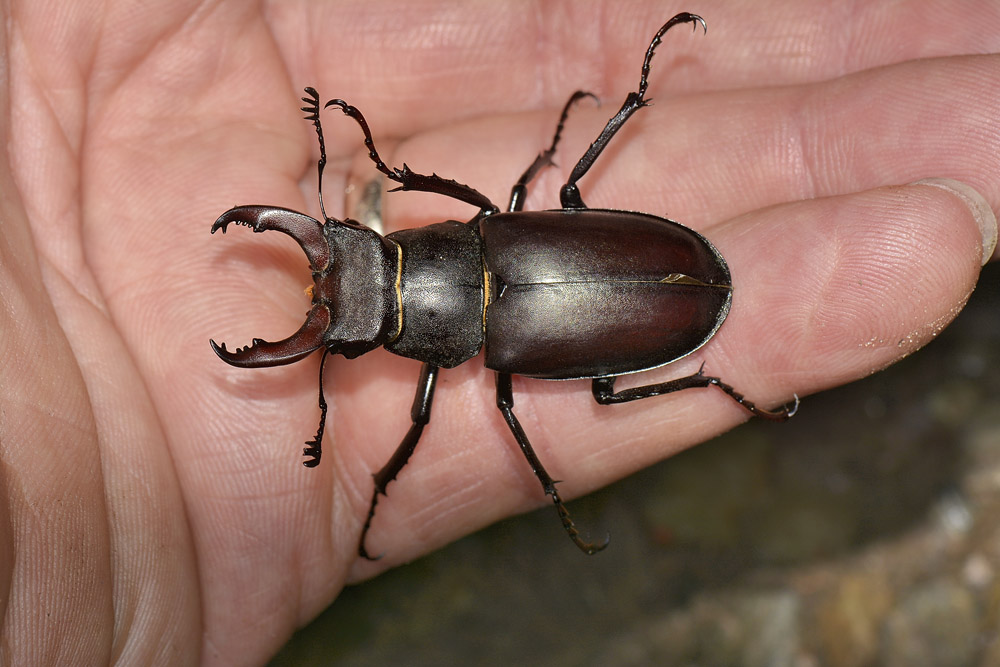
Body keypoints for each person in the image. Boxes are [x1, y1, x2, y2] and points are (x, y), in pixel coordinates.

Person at [0, 0, 996, 663]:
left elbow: (451, 410)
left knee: (564, 251)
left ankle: (699, 346)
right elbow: (470, 358)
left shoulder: (487, 291)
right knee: (555, 209)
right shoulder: (490, 223)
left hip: (646, 289)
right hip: (621, 287)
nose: (348, 289)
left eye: (363, 252)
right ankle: (705, 374)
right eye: (353, 325)